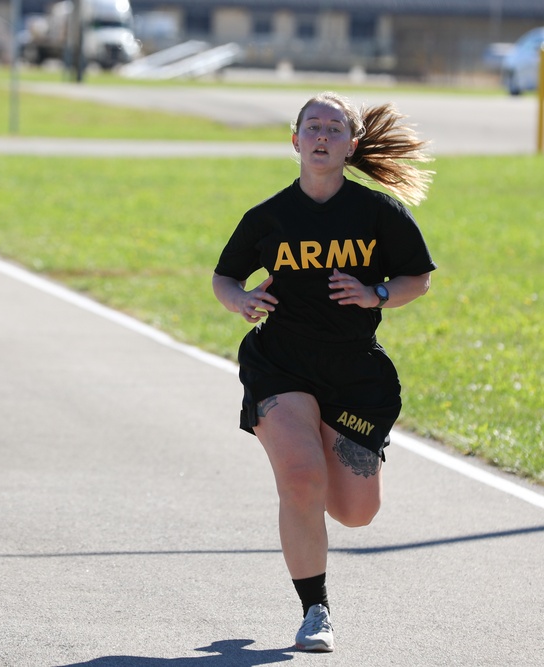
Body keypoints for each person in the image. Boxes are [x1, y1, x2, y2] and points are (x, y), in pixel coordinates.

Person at [211, 91, 437, 653]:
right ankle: (316, 610)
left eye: (333, 128)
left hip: (354, 372)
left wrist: (374, 293)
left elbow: (418, 279)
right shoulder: (266, 218)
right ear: (294, 140)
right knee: (301, 480)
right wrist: (240, 300)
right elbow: (224, 278)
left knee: (356, 513)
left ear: (351, 145)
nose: (321, 135)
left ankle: (326, 440)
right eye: (311, 126)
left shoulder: (379, 214)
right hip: (279, 363)